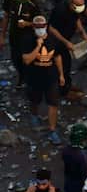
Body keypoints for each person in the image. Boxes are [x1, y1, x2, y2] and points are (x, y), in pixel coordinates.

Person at [22, 16, 65, 144]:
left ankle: (52, 130)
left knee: (53, 104)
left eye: (42, 26)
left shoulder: (53, 39)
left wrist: (61, 74)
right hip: (34, 77)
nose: (40, 29)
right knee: (34, 100)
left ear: (46, 26)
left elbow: (57, 57)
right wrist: (38, 46)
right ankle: (34, 115)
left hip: (51, 77)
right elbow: (27, 60)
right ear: (33, 27)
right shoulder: (27, 40)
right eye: (37, 27)